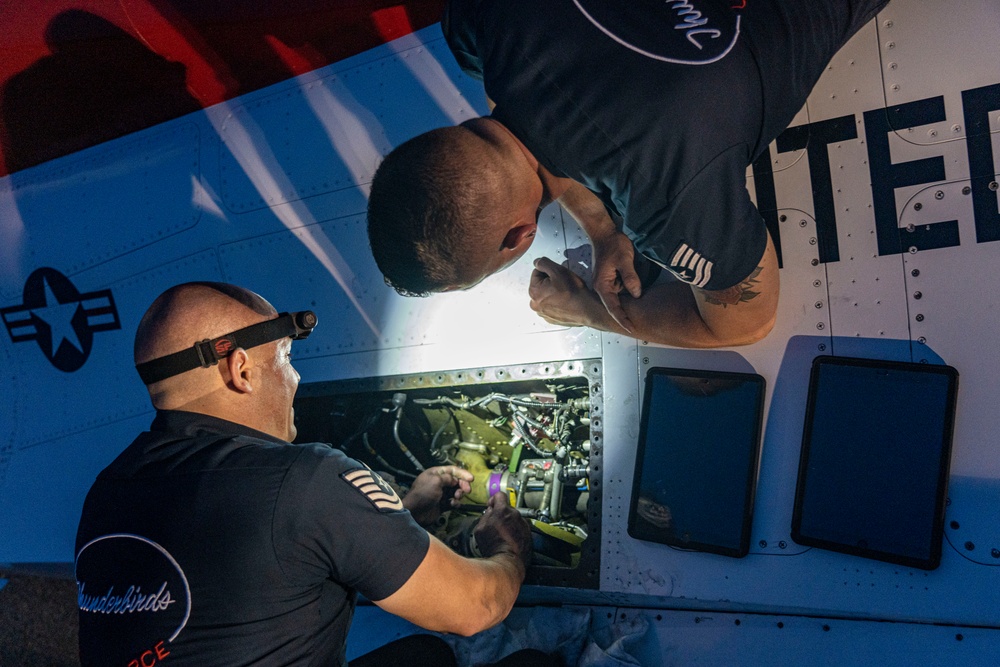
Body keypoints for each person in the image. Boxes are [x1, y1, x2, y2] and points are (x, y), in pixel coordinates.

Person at [366, 0, 889, 348]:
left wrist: (591, 311)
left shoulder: (664, 197)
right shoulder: (477, 19)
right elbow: (519, 107)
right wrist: (604, 228)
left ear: (521, 238)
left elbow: (750, 321)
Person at [75, 282, 538, 667]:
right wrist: (508, 550)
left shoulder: (107, 491)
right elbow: (476, 607)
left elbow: (267, 565)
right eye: (285, 359)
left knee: (422, 657)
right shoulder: (304, 479)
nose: (294, 379)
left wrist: (407, 511)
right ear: (240, 370)